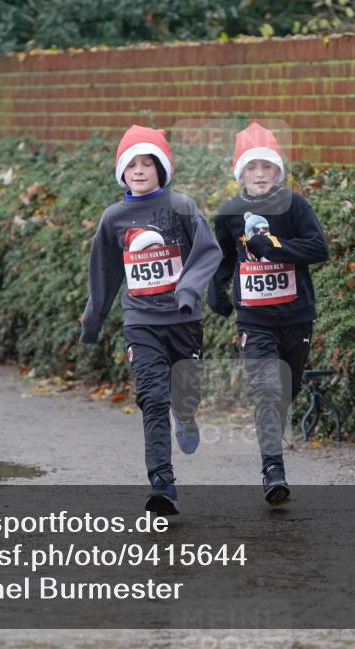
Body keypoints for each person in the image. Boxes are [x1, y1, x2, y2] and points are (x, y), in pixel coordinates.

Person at [80, 125, 222, 516]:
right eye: (131, 163)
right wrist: (92, 322)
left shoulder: (181, 206)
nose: (139, 170)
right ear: (121, 171)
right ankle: (162, 484)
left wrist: (188, 289)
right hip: (140, 323)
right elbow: (104, 274)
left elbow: (209, 251)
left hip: (183, 319)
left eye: (147, 163)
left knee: (183, 394)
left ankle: (187, 415)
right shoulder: (114, 218)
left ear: (161, 168)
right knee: (152, 399)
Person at [208, 123, 330, 505]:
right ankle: (272, 470)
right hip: (254, 319)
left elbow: (318, 248)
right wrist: (217, 289)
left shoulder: (294, 205)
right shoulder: (230, 213)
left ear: (277, 171)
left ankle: (273, 440)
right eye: (251, 168)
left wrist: (275, 247)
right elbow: (223, 256)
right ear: (240, 174)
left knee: (284, 392)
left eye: (266, 167)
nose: (259, 175)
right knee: (266, 389)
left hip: (296, 317)